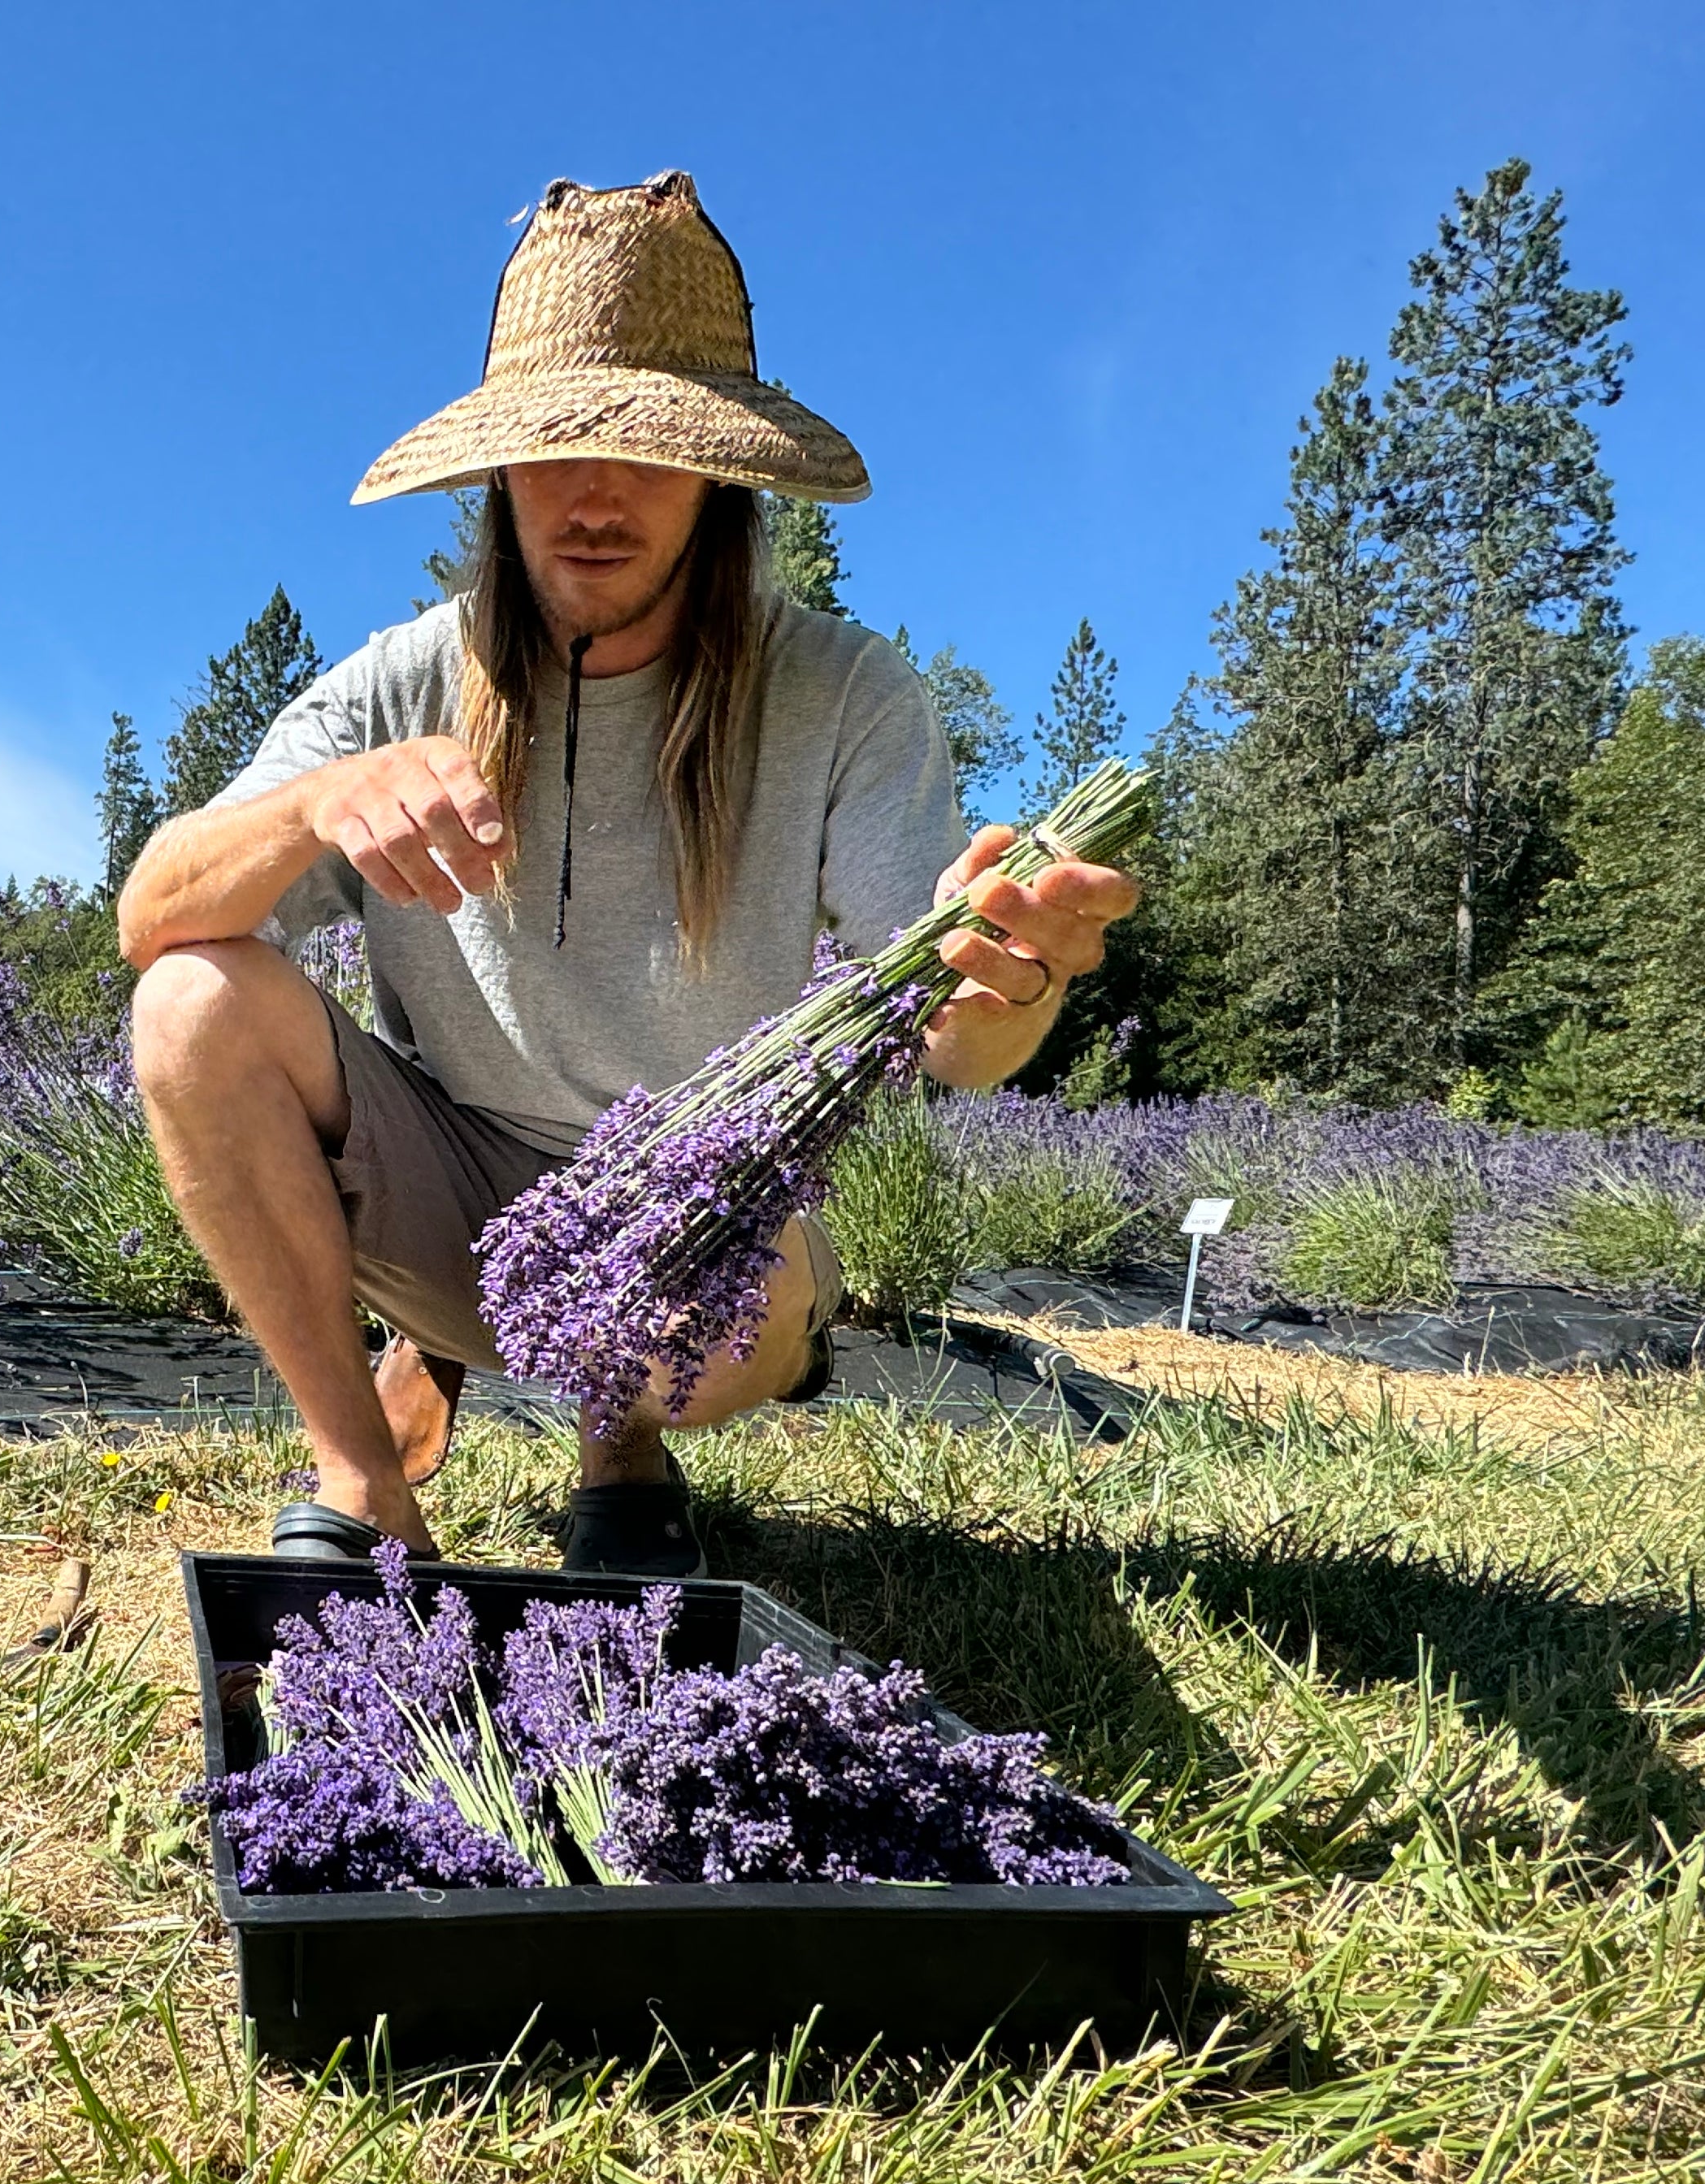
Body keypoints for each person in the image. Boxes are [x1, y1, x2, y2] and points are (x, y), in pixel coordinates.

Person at [115, 172, 1139, 1573]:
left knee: (692, 1339)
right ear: (495, 474)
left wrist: (1018, 970)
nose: (595, 500)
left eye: (648, 453)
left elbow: (958, 1040)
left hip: (709, 1214)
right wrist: (319, 804)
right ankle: (364, 1473)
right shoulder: (403, 678)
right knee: (190, 1001)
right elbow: (151, 916)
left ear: (724, 477)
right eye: (554, 451)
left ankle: (622, 1436)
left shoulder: (843, 693)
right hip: (457, 1190)